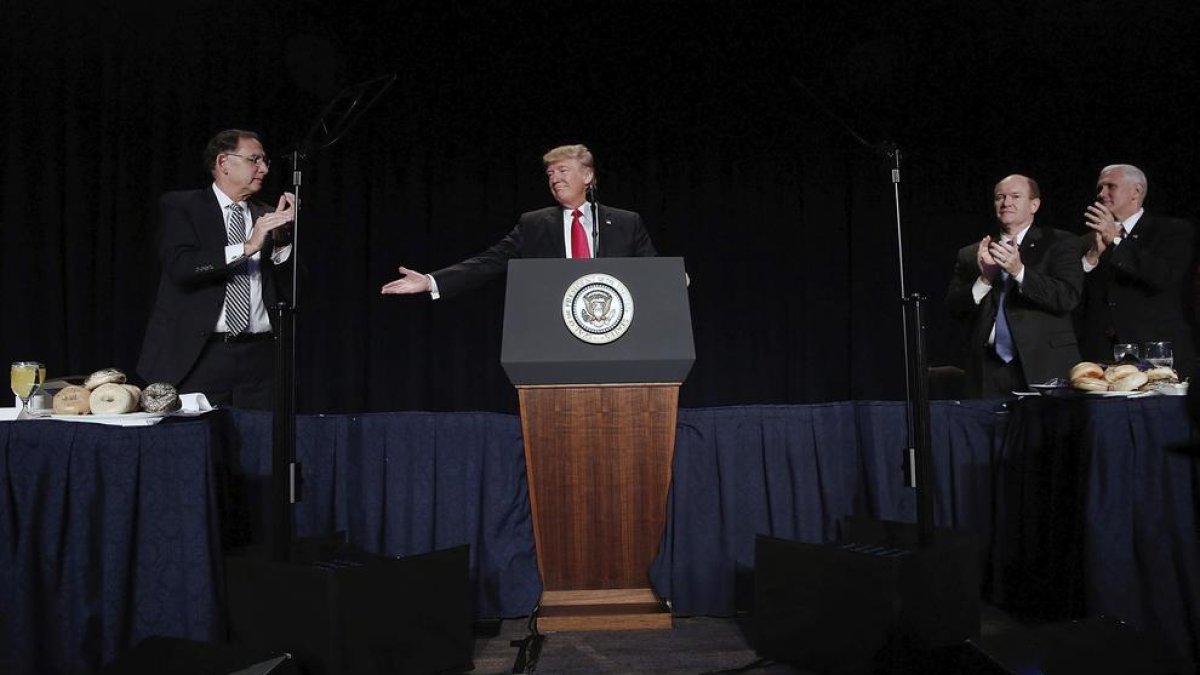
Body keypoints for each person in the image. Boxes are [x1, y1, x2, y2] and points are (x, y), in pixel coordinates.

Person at [137, 129, 295, 409]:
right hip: (198, 356)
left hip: (259, 359)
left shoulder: (268, 216)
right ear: (223, 163)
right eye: (255, 160)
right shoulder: (181, 206)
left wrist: (282, 242)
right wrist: (246, 247)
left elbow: (293, 289)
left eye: (265, 161)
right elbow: (181, 267)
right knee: (196, 447)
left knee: (261, 447)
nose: (264, 169)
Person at [381, 144, 656, 299]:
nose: (554, 178)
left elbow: (652, 272)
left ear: (587, 176)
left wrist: (674, 279)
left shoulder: (626, 222)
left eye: (562, 170)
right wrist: (431, 281)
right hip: (554, 328)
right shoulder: (534, 224)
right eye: (550, 173)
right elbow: (489, 261)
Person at [946, 175, 1084, 398]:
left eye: (1015, 196)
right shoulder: (972, 253)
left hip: (1043, 366)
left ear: (1034, 205)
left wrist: (1019, 272)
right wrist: (985, 280)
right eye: (1000, 197)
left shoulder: (1061, 242)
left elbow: (1067, 297)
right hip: (988, 369)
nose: (1006, 202)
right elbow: (954, 308)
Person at [1077, 164, 1196, 378]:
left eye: (1110, 186)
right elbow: (1077, 299)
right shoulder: (1087, 242)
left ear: (1137, 191)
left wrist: (1116, 240)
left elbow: (1162, 276)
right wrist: (1093, 256)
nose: (1101, 194)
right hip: (1104, 364)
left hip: (1158, 362)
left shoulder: (1172, 230)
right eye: (1099, 188)